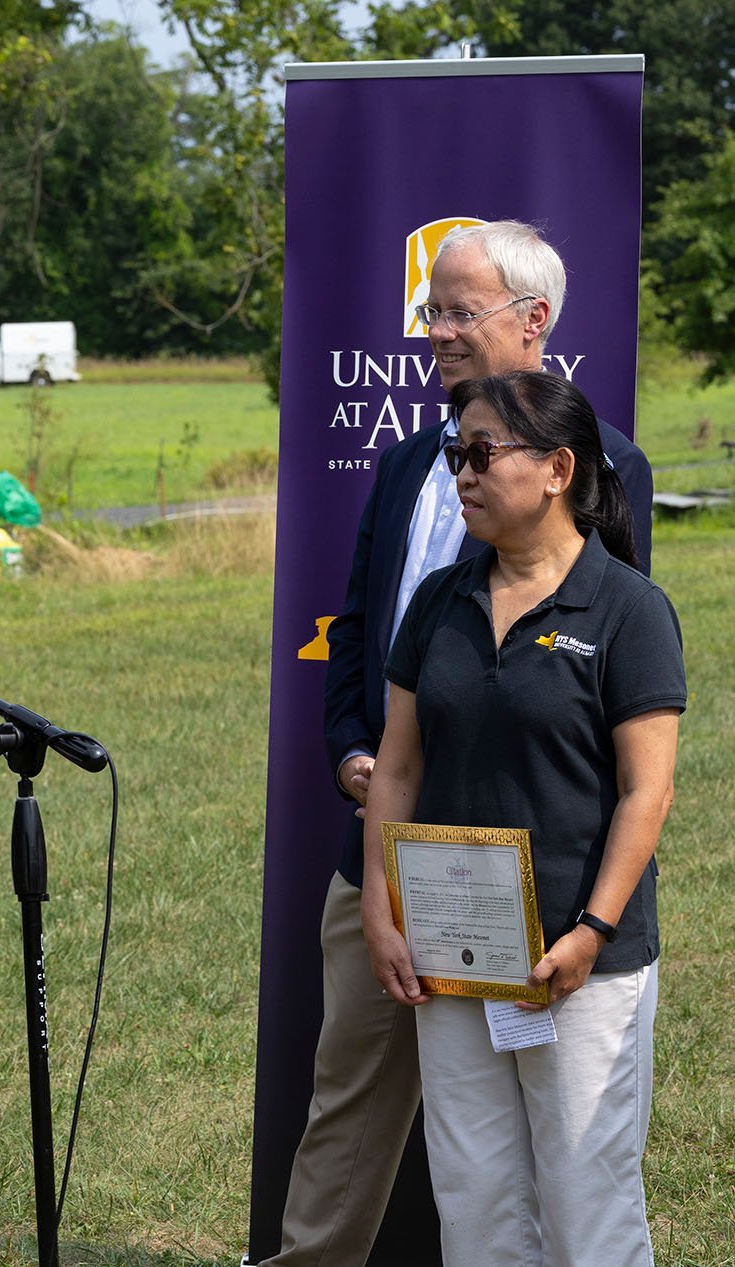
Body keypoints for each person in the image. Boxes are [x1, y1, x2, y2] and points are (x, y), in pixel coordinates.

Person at [265, 220, 653, 1265]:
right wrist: (357, 752)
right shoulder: (400, 464)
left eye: (454, 310)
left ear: (533, 321)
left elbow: (603, 683)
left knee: (561, 1158)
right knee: (361, 1105)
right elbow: (355, 628)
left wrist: (589, 910)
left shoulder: (610, 469)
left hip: (536, 874)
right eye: (428, 310)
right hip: (389, 862)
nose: (431, 330)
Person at [362, 370, 683, 1263]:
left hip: (582, 963)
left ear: (556, 469)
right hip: (457, 953)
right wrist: (380, 908)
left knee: (589, 1201)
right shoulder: (438, 602)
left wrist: (592, 928)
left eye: (481, 454)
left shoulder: (630, 609)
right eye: (453, 454)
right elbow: (398, 765)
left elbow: (645, 792)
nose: (461, 474)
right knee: (475, 1198)